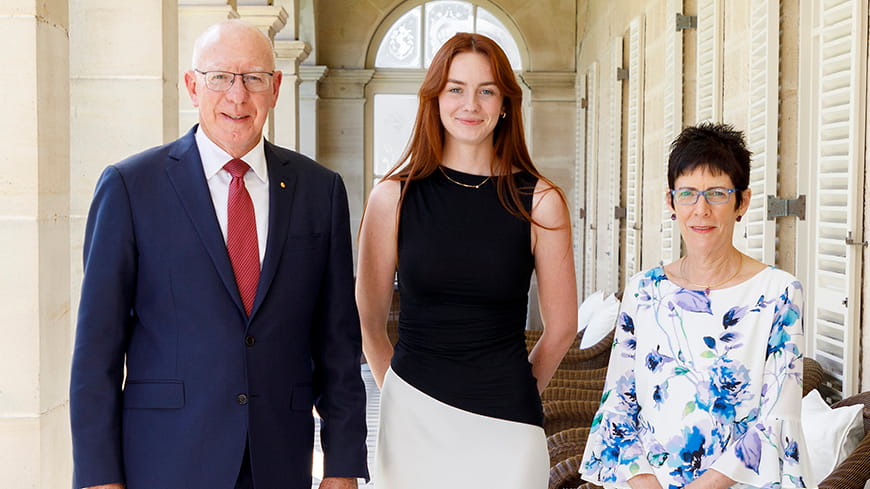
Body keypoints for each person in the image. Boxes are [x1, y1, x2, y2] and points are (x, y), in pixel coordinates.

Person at [69, 20, 368, 489]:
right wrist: (98, 477)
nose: (237, 96)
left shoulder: (319, 190)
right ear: (192, 85)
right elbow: (96, 351)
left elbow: (338, 342)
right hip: (165, 461)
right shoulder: (131, 187)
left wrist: (343, 465)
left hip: (280, 461)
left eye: (252, 78)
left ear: (275, 87)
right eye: (220, 78)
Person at [355, 32, 578, 488]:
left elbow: (561, 328)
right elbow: (367, 321)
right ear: (435, 98)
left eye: (486, 90)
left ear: (505, 103)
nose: (470, 104)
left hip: (508, 425)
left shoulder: (540, 200)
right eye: (456, 88)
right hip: (412, 421)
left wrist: (515, 391)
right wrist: (399, 395)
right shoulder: (392, 197)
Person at [580, 122, 810, 489]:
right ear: (671, 202)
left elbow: (776, 418)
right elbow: (618, 405)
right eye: (687, 193)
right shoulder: (643, 291)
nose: (701, 209)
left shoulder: (779, 292)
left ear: (742, 202)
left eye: (717, 193)